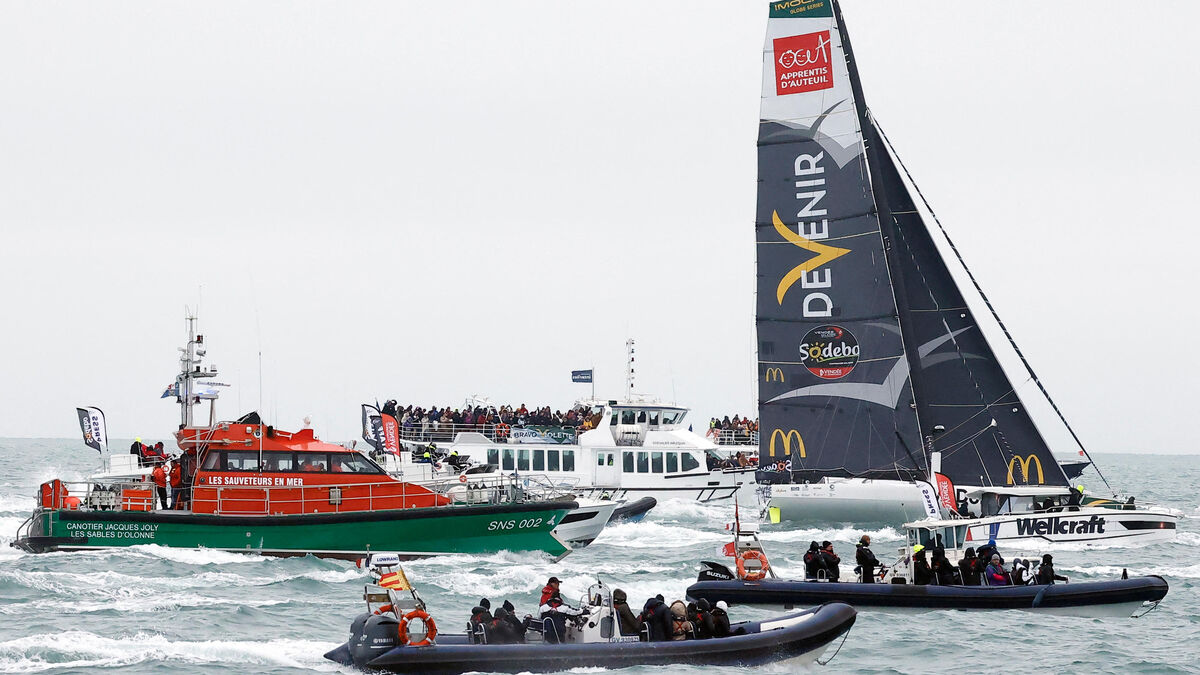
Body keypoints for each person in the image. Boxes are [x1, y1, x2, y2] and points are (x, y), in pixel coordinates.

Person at [538, 577, 583, 643]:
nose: (558, 585)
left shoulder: (545, 595)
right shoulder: (551, 593)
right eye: (556, 583)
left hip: (547, 625)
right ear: (552, 583)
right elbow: (561, 608)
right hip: (558, 627)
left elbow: (540, 614)